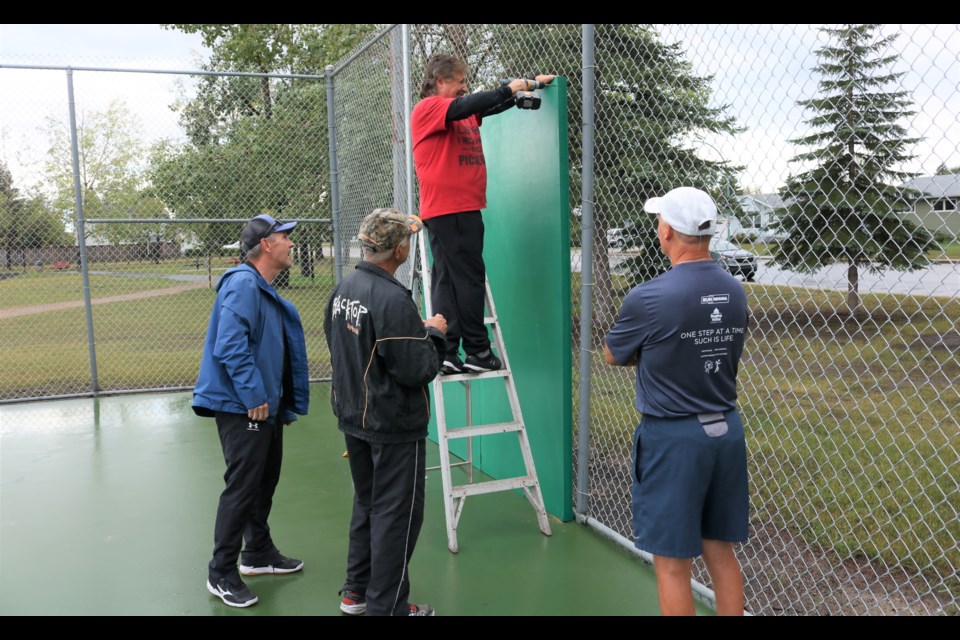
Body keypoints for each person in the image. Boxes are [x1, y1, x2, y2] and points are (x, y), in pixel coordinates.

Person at [603, 187, 750, 616]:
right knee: (720, 551)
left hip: (674, 438)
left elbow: (614, 353)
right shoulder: (734, 289)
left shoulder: (649, 296)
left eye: (659, 221)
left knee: (672, 564)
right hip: (725, 430)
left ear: (667, 230)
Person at [324, 207, 447, 617]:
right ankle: (388, 607)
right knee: (397, 516)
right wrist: (433, 334)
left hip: (354, 417)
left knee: (368, 503)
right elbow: (418, 370)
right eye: (408, 239)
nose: (409, 245)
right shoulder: (393, 299)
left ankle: (356, 592)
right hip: (392, 424)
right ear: (399, 249)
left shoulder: (344, 288)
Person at [193, 213, 311, 608]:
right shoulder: (243, 284)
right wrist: (254, 396)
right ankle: (221, 573)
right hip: (245, 406)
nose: (291, 243)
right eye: (285, 237)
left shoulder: (259, 286)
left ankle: (258, 554)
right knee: (243, 488)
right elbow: (229, 345)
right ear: (266, 244)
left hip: (263, 406)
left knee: (264, 482)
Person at [411, 53, 555, 375]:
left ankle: (447, 350)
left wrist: (522, 88)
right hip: (454, 208)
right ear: (440, 82)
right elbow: (470, 103)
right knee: (468, 279)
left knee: (447, 280)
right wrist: (509, 89)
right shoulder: (429, 108)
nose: (464, 87)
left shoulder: (456, 113)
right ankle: (477, 349)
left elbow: (485, 106)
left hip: (451, 210)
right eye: (459, 81)